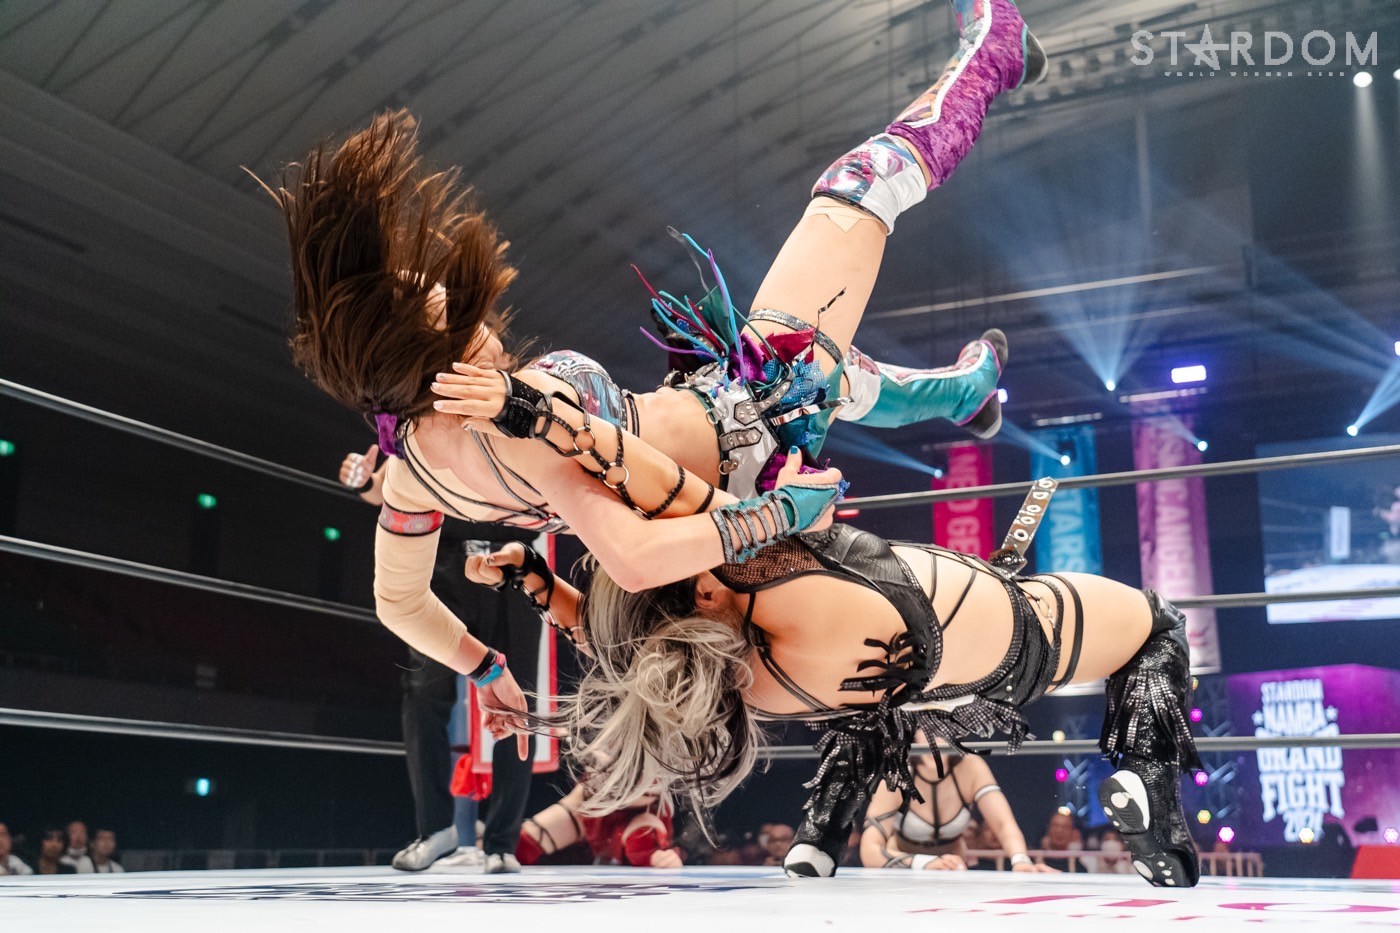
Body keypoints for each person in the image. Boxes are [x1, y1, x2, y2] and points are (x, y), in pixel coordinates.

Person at [259, 0, 1036, 747]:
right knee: (858, 189)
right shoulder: (517, 425)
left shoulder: (413, 470)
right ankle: (996, 51)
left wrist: (485, 666)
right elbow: (629, 556)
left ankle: (967, 393)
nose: (460, 305)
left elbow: (397, 601)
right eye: (442, 306)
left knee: (836, 371)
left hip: (728, 421)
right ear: (434, 349)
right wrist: (777, 514)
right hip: (757, 419)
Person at [338, 446, 537, 874]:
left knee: (519, 699)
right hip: (445, 560)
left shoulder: (523, 416)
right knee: (424, 690)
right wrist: (364, 480)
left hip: (516, 563)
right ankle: (435, 830)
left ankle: (501, 842)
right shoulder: (428, 419)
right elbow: (393, 486)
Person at [861, 743, 1053, 873]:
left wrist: (1020, 860)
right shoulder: (899, 772)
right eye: (926, 728)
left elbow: (1004, 824)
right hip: (902, 871)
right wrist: (923, 862)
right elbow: (869, 851)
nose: (934, 739)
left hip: (953, 873)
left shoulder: (970, 767)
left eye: (942, 728)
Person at [515, 781, 682, 869]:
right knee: (519, 845)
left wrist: (672, 854)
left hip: (641, 809)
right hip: (593, 798)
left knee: (644, 842)